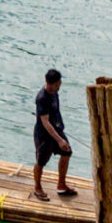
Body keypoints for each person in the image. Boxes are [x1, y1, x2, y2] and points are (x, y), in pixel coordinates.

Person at [33, 68, 78, 201]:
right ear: (51, 83)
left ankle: (61, 185)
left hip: (57, 130)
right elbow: (45, 122)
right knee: (41, 161)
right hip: (44, 135)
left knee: (67, 152)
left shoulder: (55, 93)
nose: (59, 86)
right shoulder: (42, 98)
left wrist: (60, 129)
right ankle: (37, 187)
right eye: (58, 83)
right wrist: (59, 140)